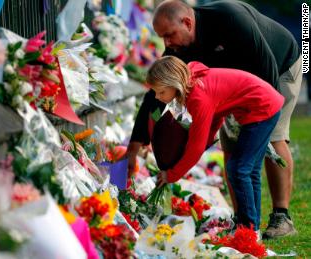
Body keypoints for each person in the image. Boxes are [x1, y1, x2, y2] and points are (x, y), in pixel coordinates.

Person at [127, 0, 302, 239]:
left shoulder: (231, 19)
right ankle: (244, 221)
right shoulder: (178, 52)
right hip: (233, 92)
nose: (166, 43)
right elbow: (156, 95)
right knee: (232, 150)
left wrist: (262, 125)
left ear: (187, 23)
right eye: (162, 38)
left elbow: (267, 65)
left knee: (273, 138)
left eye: (169, 35)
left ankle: (281, 216)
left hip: (277, 68)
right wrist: (137, 142)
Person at [149, 56, 283, 233]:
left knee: (238, 168)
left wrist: (172, 174)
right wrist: (206, 139)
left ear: (174, 83)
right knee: (248, 170)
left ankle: (248, 230)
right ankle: (251, 226)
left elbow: (195, 147)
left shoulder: (198, 96)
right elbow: (218, 114)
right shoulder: (193, 83)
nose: (158, 97)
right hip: (262, 103)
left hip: (262, 108)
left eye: (161, 92)